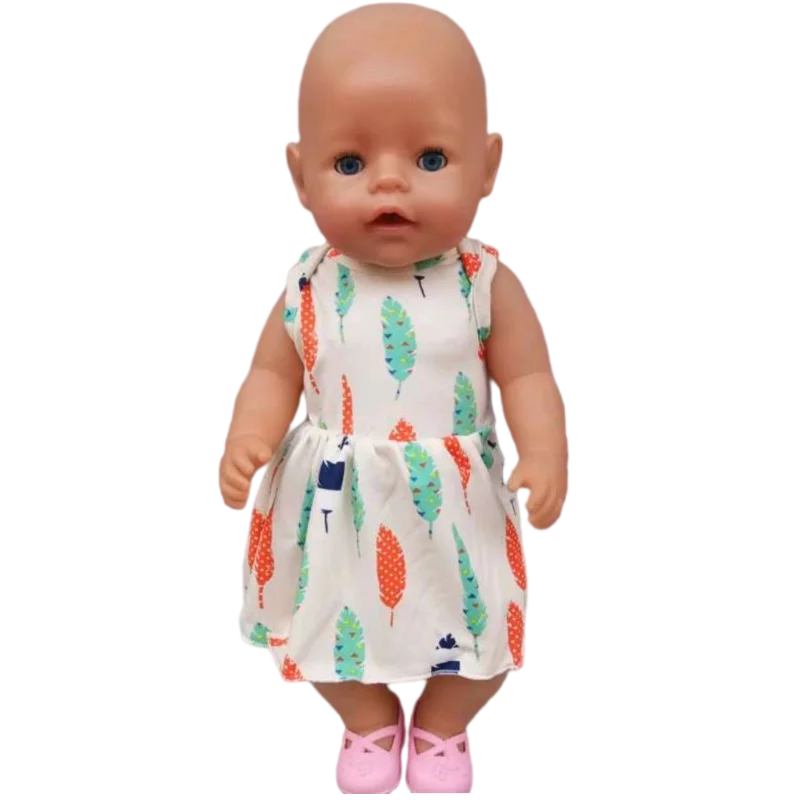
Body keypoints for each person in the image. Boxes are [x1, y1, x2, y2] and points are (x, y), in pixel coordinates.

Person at [218, 2, 569, 793]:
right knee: (323, 627)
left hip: (456, 499)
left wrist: (545, 453)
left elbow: (526, 377)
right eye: (349, 163)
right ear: (298, 175)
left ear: (490, 167)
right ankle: (369, 722)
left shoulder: (485, 280)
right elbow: (274, 374)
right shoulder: (307, 284)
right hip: (335, 502)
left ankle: (443, 728)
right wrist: (248, 438)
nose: (388, 180)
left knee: (483, 631)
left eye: (430, 157)